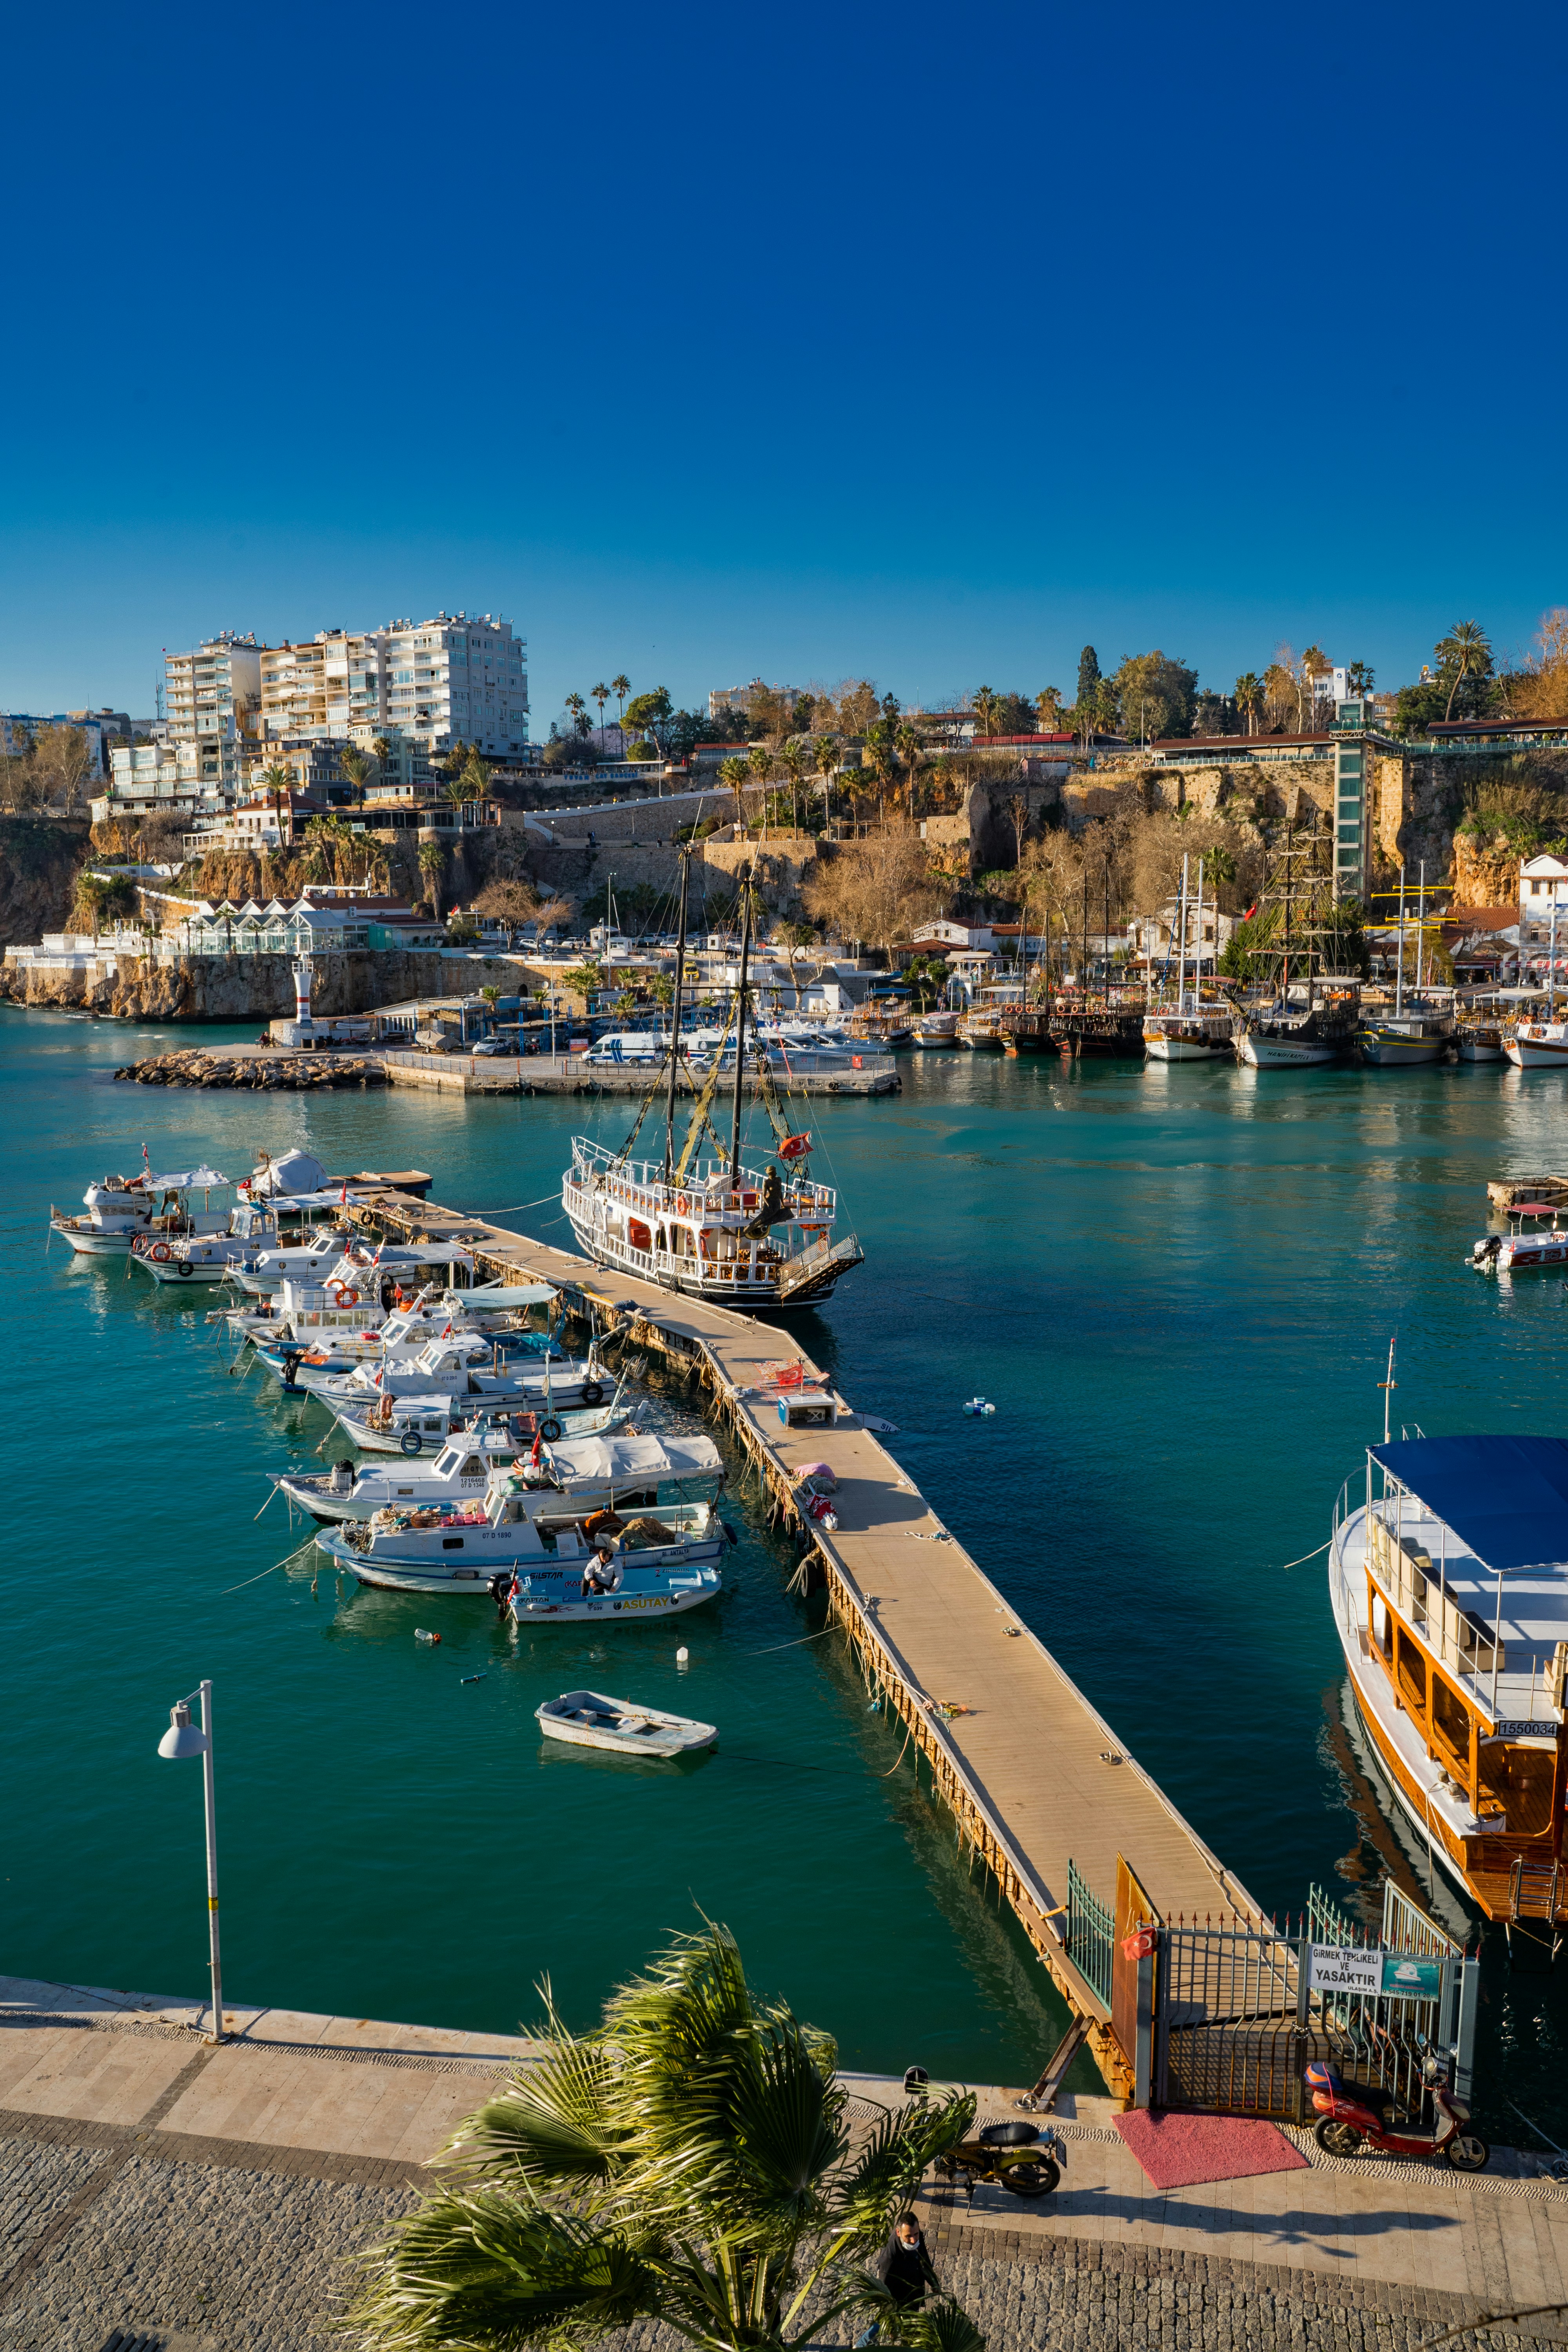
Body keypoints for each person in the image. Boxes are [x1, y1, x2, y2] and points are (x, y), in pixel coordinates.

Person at [856, 2213, 938, 2345]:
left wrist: (934, 2281)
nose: (914, 2240)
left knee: (906, 2329)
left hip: (913, 2296)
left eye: (916, 2234)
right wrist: (891, 2318)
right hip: (897, 2300)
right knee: (882, 2324)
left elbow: (924, 2259)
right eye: (909, 2237)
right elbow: (883, 2288)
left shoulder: (917, 2237)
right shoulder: (889, 2257)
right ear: (898, 2233)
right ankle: (861, 2345)